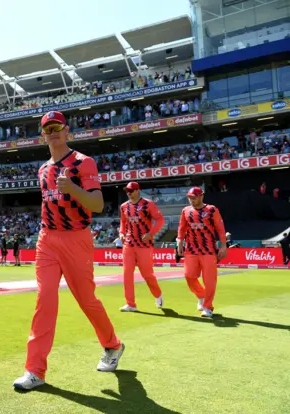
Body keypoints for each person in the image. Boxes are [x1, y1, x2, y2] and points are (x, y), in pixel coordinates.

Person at [13, 111, 124, 391]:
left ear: (67, 130)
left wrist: (72, 188)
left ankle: (113, 345)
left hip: (77, 239)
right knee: (45, 300)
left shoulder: (83, 163)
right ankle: (34, 370)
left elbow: (97, 205)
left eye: (57, 127)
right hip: (47, 240)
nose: (53, 132)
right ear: (43, 135)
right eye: (48, 129)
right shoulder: (42, 170)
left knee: (87, 300)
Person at [176, 187, 227, 318]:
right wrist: (180, 241)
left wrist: (223, 246)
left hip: (208, 250)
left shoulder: (211, 210)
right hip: (191, 249)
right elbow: (181, 228)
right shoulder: (186, 211)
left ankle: (208, 307)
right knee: (189, 276)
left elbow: (220, 229)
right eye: (189, 197)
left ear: (201, 196)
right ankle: (201, 295)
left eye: (194, 197)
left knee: (209, 280)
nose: (191, 200)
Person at [118, 182, 165, 312]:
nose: (129, 193)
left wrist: (151, 234)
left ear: (138, 191)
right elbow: (123, 222)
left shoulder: (148, 204)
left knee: (147, 274)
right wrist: (121, 233)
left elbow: (160, 220)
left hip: (144, 245)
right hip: (128, 244)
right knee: (127, 273)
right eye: (127, 190)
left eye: (131, 190)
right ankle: (130, 304)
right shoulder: (124, 206)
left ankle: (158, 295)